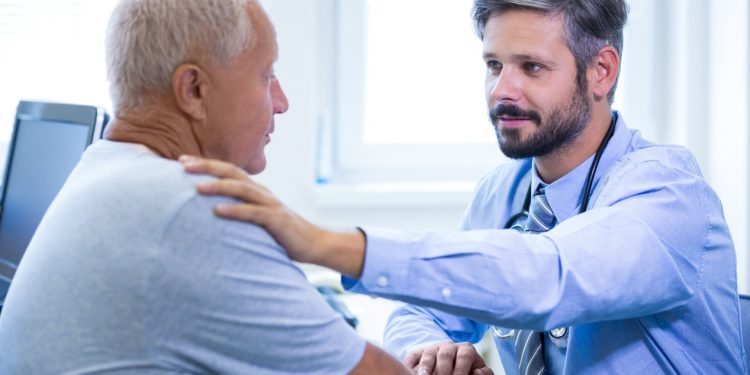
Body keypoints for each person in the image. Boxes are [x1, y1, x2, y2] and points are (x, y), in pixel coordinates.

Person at [180, 0, 747, 374]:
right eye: (493, 64)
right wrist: (425, 347)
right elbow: (421, 311)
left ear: (601, 71)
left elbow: (546, 276)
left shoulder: (669, 197)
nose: (503, 91)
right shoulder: (504, 192)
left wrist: (323, 242)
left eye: (531, 67)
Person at [0, 0, 410, 374]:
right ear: (194, 90)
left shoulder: (104, 167)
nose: (282, 102)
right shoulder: (189, 206)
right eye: (265, 76)